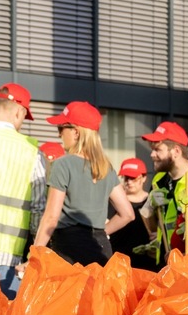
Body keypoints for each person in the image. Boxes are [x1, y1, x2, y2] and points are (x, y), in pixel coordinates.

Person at [0, 83, 48, 298]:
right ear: (19, 112)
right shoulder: (32, 151)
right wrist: (34, 246)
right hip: (8, 254)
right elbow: (39, 207)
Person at [34, 102, 133, 266]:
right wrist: (101, 233)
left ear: (76, 132)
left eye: (61, 129)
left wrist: (34, 255)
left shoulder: (62, 164)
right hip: (100, 248)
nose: (59, 135)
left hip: (69, 250)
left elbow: (51, 217)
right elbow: (128, 214)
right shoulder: (105, 167)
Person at [142, 120, 188, 264]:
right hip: (165, 261)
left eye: (158, 150)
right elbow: (153, 228)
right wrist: (149, 208)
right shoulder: (158, 180)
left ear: (176, 151)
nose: (152, 155)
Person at [108, 158, 158, 271]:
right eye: (126, 178)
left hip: (148, 261)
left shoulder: (152, 201)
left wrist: (158, 235)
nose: (129, 182)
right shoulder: (114, 202)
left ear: (144, 178)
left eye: (133, 178)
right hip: (120, 260)